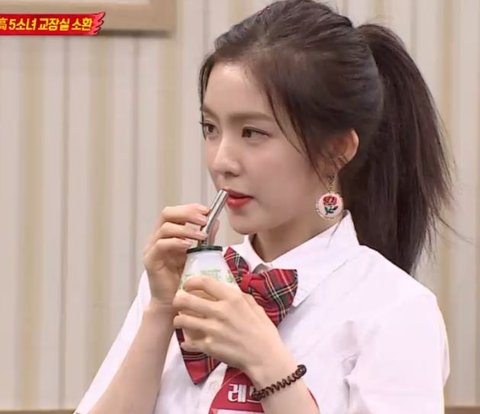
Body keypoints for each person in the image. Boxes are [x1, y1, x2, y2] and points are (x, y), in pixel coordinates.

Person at [75, 0, 452, 413]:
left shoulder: (395, 310)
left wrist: (267, 363)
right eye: (210, 128)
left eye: (252, 132)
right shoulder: (181, 284)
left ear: (336, 150)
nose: (221, 161)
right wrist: (161, 310)